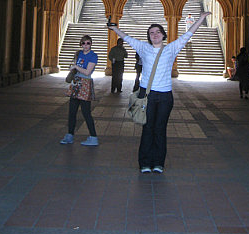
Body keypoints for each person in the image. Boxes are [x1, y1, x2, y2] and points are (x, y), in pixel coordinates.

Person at [108, 11, 210, 173]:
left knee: (160, 129)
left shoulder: (171, 48)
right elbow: (127, 38)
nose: (154, 35)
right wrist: (114, 29)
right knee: (147, 128)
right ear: (148, 36)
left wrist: (201, 18)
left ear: (163, 34)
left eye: (157, 32)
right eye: (151, 33)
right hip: (147, 94)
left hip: (164, 96)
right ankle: (144, 163)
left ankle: (158, 163)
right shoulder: (143, 48)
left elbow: (188, 34)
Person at [60, 34, 99, 146]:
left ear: (91, 44)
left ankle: (93, 137)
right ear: (81, 44)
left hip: (85, 84)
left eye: (88, 43)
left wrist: (76, 67)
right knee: (72, 111)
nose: (85, 45)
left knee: (86, 112)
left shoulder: (93, 56)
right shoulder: (79, 54)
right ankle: (70, 134)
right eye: (83, 43)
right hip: (76, 83)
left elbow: (87, 72)